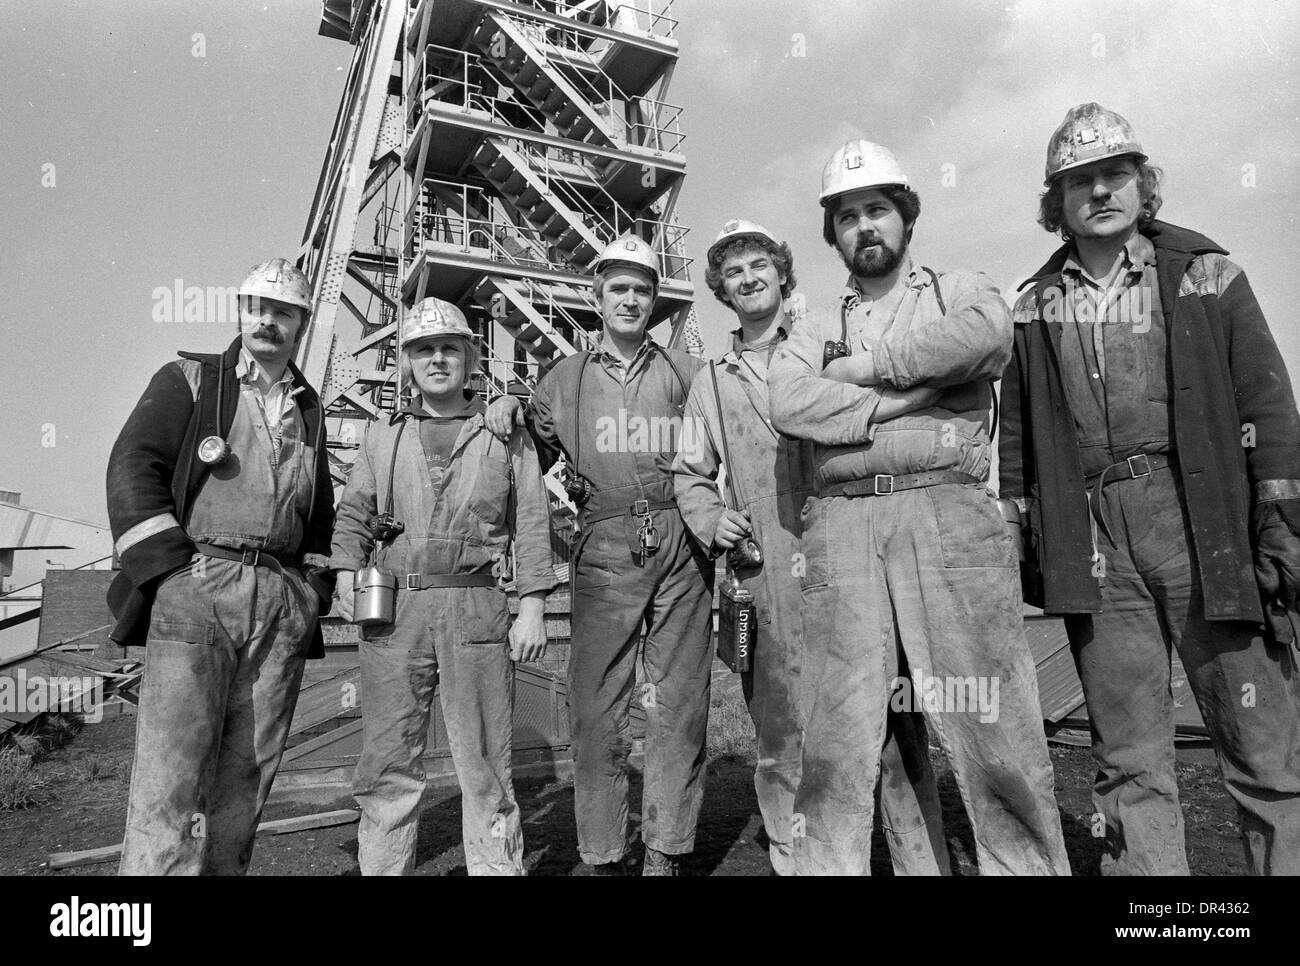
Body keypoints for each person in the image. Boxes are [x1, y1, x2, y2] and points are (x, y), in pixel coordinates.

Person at [1000, 103, 1300, 875]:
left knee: (1262, 747)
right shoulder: (1032, 305)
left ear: (1143, 184)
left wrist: (1280, 524)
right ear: (1055, 202)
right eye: (1079, 181)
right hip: (1094, 535)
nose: (1100, 192)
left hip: (1204, 521)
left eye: (1115, 174)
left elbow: (1268, 404)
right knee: (1128, 756)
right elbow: (1018, 440)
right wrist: (1020, 530)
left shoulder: (1205, 273)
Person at [768, 139, 1071, 875]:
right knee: (838, 741)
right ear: (833, 233)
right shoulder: (810, 328)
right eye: (847, 216)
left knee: (994, 724)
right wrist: (920, 395)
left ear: (905, 215)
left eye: (877, 209)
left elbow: (985, 335)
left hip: (949, 516)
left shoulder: (955, 287)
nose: (864, 226)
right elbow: (788, 398)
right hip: (842, 526)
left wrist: (867, 373)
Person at [673, 219, 950, 875]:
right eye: (733, 271)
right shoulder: (711, 381)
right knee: (781, 736)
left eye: (758, 264)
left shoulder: (830, 349)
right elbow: (689, 472)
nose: (747, 278)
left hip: (851, 560)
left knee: (890, 733)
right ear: (721, 288)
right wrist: (712, 518)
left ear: (780, 272)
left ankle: (923, 866)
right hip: (763, 580)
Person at [485, 236, 712, 875]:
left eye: (643, 289)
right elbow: (524, 456)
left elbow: (735, 431)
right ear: (598, 297)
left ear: (655, 299)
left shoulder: (687, 374)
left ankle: (664, 852)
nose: (631, 299)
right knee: (597, 709)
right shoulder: (565, 379)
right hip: (604, 544)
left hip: (681, 544)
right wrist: (503, 406)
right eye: (619, 288)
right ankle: (605, 854)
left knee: (679, 703)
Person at [106, 258, 335, 875]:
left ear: (301, 323)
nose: (268, 320)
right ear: (239, 310)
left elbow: (320, 518)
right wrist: (172, 577)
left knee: (249, 772)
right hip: (200, 586)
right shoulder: (191, 379)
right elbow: (133, 468)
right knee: (173, 772)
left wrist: (309, 591)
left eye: (283, 311)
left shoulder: (308, 406)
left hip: (280, 601)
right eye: (258, 307)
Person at [331, 297, 554, 875]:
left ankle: (496, 870)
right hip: (395, 611)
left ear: (470, 358)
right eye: (424, 350)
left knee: (484, 763)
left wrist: (532, 605)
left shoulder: (505, 433)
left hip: (475, 607)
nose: (437, 360)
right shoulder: (384, 437)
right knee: (387, 762)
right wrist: (341, 573)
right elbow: (354, 513)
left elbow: (531, 520)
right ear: (407, 362)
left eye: (449, 348)